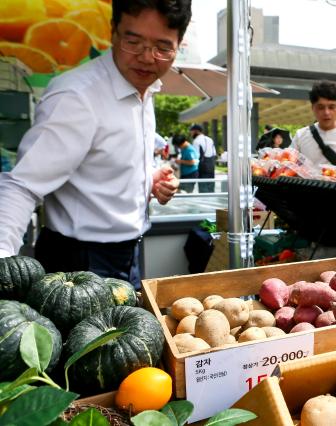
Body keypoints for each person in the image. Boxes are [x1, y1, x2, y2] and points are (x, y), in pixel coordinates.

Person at [0, 0, 189, 288]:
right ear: (113, 32)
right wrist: (3, 266)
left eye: (163, 47)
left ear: (179, 44)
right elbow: (21, 186)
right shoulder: (76, 97)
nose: (147, 57)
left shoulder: (146, 89)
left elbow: (103, 167)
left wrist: (150, 181)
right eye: (133, 41)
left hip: (128, 252)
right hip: (78, 263)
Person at [291, 81, 336, 168]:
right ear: (312, 108)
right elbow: (289, 164)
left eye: (331, 107)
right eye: (321, 108)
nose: (326, 112)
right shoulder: (300, 136)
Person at [189, 124, 216, 193]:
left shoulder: (196, 141)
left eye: (191, 132)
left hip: (202, 168)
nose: (191, 134)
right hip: (211, 167)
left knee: (203, 189)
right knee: (211, 188)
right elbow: (214, 153)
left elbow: (196, 156)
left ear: (196, 131)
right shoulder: (210, 139)